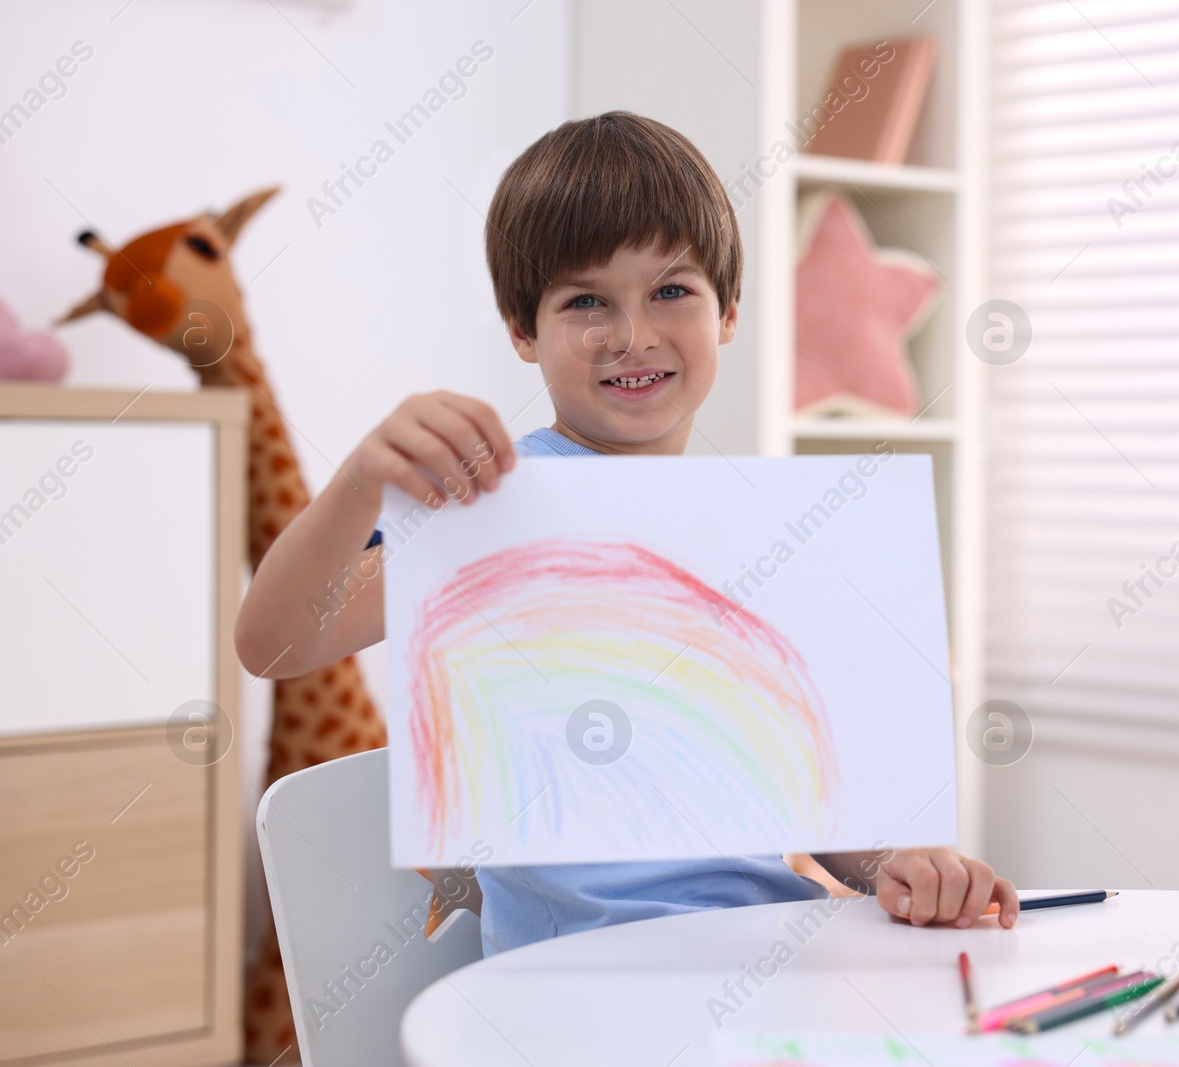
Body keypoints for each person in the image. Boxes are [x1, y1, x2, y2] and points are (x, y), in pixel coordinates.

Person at [235, 110, 1019, 955]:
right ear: (523, 331)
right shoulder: (491, 506)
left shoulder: (758, 526)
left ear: (728, 312)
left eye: (672, 291)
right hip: (577, 978)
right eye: (585, 302)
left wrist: (901, 860)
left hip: (765, 944)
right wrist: (359, 481)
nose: (632, 335)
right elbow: (275, 644)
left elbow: (805, 798)